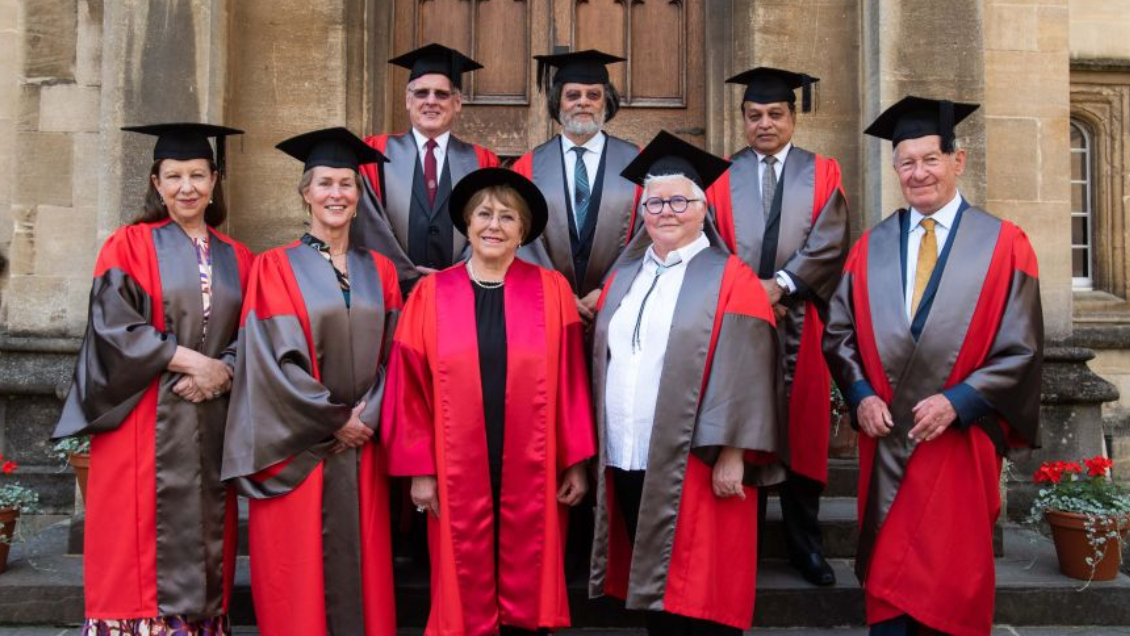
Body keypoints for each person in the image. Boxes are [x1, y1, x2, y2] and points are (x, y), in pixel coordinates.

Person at [824, 96, 1043, 636]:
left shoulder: (1005, 244)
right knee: (890, 590)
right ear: (894, 169)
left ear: (957, 161)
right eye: (906, 162)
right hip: (888, 436)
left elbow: (1023, 347)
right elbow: (838, 333)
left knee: (951, 582)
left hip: (959, 442)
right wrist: (860, 396)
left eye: (930, 159)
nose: (918, 173)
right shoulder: (869, 247)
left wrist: (959, 401)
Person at [52, 123, 253, 635]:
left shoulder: (239, 256)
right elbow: (113, 328)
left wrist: (222, 371)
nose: (187, 187)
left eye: (197, 175)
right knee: (135, 537)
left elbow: (252, 332)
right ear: (156, 183)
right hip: (143, 417)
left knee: (207, 530)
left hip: (209, 419)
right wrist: (193, 362)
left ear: (215, 180)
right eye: (174, 176)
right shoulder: (127, 245)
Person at [381, 167, 595, 635]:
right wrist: (421, 471)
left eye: (507, 217)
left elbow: (572, 381)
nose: (494, 225)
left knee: (530, 569)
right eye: (484, 214)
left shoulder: (551, 289)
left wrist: (575, 463)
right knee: (463, 575)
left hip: (534, 461)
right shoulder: (431, 294)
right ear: (467, 224)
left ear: (523, 232)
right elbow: (410, 387)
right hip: (453, 460)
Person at [589, 131, 787, 636]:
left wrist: (733, 452)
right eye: (655, 202)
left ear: (703, 208)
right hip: (629, 454)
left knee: (700, 592)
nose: (665, 211)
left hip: (697, 461)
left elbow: (748, 370)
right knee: (656, 590)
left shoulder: (732, 277)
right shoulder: (625, 275)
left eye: (679, 200)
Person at [221, 128, 400, 636]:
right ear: (306, 193)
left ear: (359, 197)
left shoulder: (381, 270)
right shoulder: (273, 266)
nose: (336, 194)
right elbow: (270, 362)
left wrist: (368, 415)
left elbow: (396, 353)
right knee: (297, 574)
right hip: (299, 447)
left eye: (347, 184)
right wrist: (335, 419)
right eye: (325, 184)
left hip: (363, 444)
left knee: (361, 568)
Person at [706, 67, 850, 586]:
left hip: (801, 321)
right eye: (754, 115)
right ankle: (737, 547)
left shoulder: (824, 171)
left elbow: (831, 241)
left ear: (792, 116)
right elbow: (711, 243)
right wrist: (751, 293)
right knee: (742, 426)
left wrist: (783, 286)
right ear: (743, 120)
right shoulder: (720, 175)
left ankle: (804, 546)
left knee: (801, 430)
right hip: (739, 325)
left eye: (774, 114)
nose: (764, 123)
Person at [355, 43, 500, 293]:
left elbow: (489, 226)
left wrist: (457, 276)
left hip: (461, 291)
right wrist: (408, 278)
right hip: (394, 293)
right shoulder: (374, 154)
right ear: (408, 100)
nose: (431, 101)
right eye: (421, 93)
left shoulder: (481, 161)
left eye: (441, 94)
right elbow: (370, 225)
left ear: (457, 103)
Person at [512, 50, 641, 323]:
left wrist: (608, 289)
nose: (583, 102)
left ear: (606, 102)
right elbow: (521, 240)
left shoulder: (637, 162)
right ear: (557, 101)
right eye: (573, 95)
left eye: (593, 95)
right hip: (546, 308)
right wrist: (557, 292)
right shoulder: (528, 166)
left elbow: (647, 236)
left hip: (619, 307)